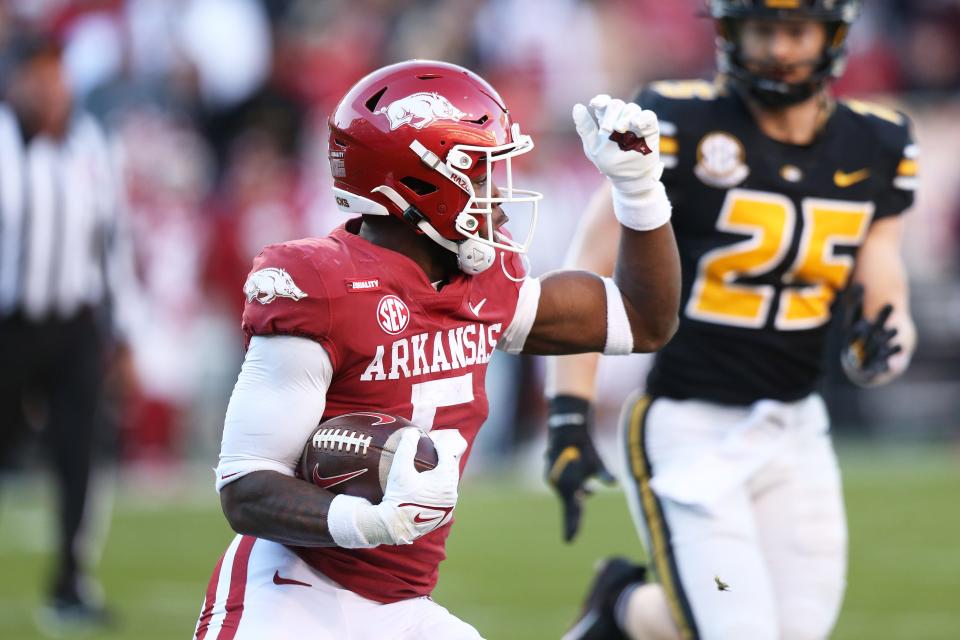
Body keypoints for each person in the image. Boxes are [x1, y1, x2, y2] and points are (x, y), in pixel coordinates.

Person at [193, 59, 680, 639]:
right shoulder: (324, 285)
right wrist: (365, 522)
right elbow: (246, 486)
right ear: (418, 181)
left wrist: (640, 190)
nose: (497, 197)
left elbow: (644, 320)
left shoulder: (482, 282)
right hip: (292, 597)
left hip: (406, 608)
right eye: (480, 175)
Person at [545, 1, 918, 639]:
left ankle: (621, 611)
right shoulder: (679, 120)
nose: (777, 48)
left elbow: (886, 293)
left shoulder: (877, 140)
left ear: (830, 35)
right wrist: (568, 414)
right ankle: (622, 611)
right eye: (762, 30)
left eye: (795, 30)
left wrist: (881, 347)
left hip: (795, 425)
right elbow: (592, 264)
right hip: (688, 424)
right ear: (728, 32)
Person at [0, 34, 138, 630]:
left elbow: (113, 241)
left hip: (75, 323)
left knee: (82, 452)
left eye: (56, 74)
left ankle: (70, 583)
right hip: (9, 325)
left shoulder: (93, 143)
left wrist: (125, 332)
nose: (49, 88)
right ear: (14, 82)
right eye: (37, 75)